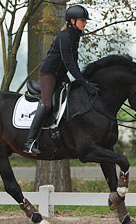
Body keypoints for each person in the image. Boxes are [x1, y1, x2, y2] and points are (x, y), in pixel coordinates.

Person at [23, 5, 94, 156]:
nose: (85, 23)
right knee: (47, 104)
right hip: (49, 74)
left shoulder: (75, 36)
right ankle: (29, 142)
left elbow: (73, 63)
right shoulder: (65, 37)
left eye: (85, 21)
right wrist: (83, 81)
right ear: (73, 21)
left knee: (72, 98)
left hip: (60, 74)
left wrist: (83, 80)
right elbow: (69, 63)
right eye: (83, 20)